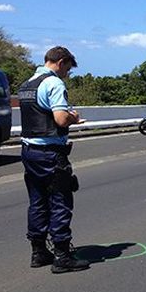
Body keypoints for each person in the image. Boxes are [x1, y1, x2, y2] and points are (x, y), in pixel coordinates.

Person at [18, 46, 90, 274]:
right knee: (60, 200)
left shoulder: (28, 83)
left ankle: (38, 251)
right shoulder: (54, 83)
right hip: (50, 152)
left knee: (37, 201)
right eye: (67, 69)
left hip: (29, 151)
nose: (67, 74)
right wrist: (74, 118)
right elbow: (60, 119)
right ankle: (62, 255)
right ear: (61, 62)